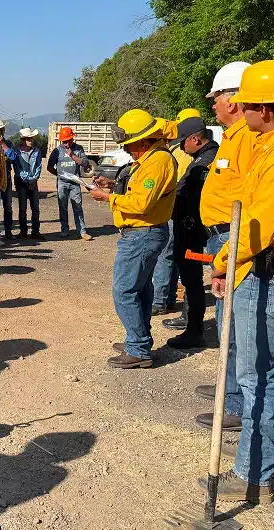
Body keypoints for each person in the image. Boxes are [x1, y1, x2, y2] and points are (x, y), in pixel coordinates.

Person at [200, 60, 274, 503]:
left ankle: (255, 474)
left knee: (257, 378)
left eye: (247, 104)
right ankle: (256, 467)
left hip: (265, 272)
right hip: (257, 269)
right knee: (262, 373)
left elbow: (259, 223)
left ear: (265, 109)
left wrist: (224, 262)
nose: (239, 109)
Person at [89, 109, 176, 369]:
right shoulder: (149, 161)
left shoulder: (158, 162)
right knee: (140, 289)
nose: (127, 150)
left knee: (124, 290)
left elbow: (141, 204)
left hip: (142, 234)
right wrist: (113, 186)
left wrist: (107, 198)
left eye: (129, 145)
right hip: (143, 233)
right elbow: (139, 192)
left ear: (142, 140)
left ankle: (138, 347)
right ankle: (138, 340)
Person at [193, 61, 253, 433]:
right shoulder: (233, 135)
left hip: (232, 238)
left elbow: (250, 203)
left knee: (233, 326)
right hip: (220, 236)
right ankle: (228, 389)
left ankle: (235, 403)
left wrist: (226, 255)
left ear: (232, 100)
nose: (212, 105)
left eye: (215, 98)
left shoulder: (248, 137)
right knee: (225, 324)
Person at [161, 117, 218, 349]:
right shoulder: (205, 158)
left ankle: (194, 330)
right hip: (194, 230)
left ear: (195, 139)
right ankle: (190, 320)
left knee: (193, 278)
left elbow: (193, 198)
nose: (182, 147)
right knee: (192, 277)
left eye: (183, 142)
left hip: (193, 231)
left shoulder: (205, 163)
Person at [151, 108, 199, 315]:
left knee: (165, 255)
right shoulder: (185, 151)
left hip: (173, 210)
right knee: (174, 255)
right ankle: (168, 297)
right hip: (183, 212)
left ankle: (159, 300)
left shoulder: (179, 152)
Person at [47, 126, 93, 240]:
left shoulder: (78, 149)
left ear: (73, 139)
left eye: (69, 140)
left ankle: (82, 232)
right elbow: (49, 167)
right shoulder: (57, 151)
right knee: (63, 207)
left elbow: (85, 163)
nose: (67, 144)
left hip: (75, 183)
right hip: (62, 183)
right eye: (64, 141)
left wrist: (72, 156)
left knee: (77, 207)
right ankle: (64, 230)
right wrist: (59, 175)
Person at [13, 128, 43, 239]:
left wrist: (34, 179)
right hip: (22, 182)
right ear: (23, 140)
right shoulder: (17, 152)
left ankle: (35, 231)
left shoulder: (37, 151)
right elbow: (17, 169)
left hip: (32, 182)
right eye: (28, 138)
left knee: (35, 207)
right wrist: (28, 180)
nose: (31, 140)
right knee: (23, 208)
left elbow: (39, 167)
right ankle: (23, 230)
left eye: (31, 138)